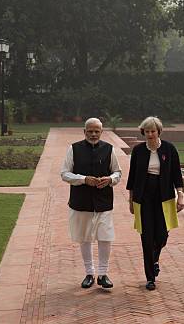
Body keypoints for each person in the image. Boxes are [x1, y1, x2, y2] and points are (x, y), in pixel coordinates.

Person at [60, 117, 122, 289]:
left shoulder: (109, 149)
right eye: (90, 131)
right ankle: (89, 273)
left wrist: (109, 179)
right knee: (85, 238)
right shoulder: (74, 149)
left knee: (105, 237)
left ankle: (103, 274)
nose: (93, 134)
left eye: (97, 131)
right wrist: (83, 179)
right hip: (81, 201)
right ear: (84, 131)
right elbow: (64, 173)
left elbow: (118, 172)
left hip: (104, 201)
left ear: (101, 132)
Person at [126, 116, 184, 290]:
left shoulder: (169, 149)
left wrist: (180, 196)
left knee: (162, 235)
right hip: (143, 198)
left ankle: (155, 259)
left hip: (164, 196)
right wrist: (130, 200)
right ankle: (150, 277)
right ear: (143, 132)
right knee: (146, 237)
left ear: (159, 131)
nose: (150, 134)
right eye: (147, 131)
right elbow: (132, 177)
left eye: (153, 131)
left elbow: (176, 174)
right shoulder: (138, 150)